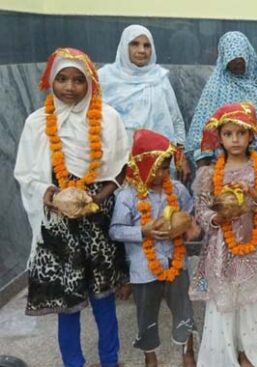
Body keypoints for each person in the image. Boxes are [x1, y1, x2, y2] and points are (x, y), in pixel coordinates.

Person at [14, 48, 130, 367]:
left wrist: (95, 199)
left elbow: (121, 169)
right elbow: (25, 174)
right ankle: (73, 363)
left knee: (104, 300)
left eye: (78, 80)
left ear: (91, 83)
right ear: (51, 81)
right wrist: (54, 196)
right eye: (62, 78)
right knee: (67, 303)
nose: (69, 87)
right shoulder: (37, 123)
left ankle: (110, 360)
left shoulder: (108, 118)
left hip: (97, 219)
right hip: (57, 221)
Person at [190, 102, 257, 367]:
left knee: (251, 296)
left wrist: (254, 194)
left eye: (241, 133)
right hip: (222, 245)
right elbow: (201, 212)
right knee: (225, 294)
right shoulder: (209, 174)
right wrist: (217, 218)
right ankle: (224, 350)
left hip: (255, 241)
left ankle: (250, 350)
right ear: (219, 137)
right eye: (228, 134)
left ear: (252, 135)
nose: (235, 139)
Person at [110, 129, 197, 367]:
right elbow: (115, 230)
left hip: (176, 262)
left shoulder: (177, 189)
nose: (162, 173)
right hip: (144, 268)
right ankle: (150, 355)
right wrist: (143, 231)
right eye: (157, 167)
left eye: (166, 167)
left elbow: (189, 214)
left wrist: (189, 227)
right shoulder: (127, 196)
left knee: (184, 308)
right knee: (146, 315)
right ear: (141, 166)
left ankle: (187, 350)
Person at [99, 25, 191, 182]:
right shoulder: (105, 78)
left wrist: (181, 155)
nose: (141, 50)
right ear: (123, 46)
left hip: (158, 162)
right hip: (117, 163)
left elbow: (176, 120)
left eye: (147, 45)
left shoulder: (159, 78)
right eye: (134, 44)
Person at [186, 31, 257, 163]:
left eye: (240, 59)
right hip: (224, 167)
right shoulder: (216, 87)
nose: (237, 63)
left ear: (249, 55)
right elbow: (202, 130)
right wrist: (204, 167)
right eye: (231, 60)